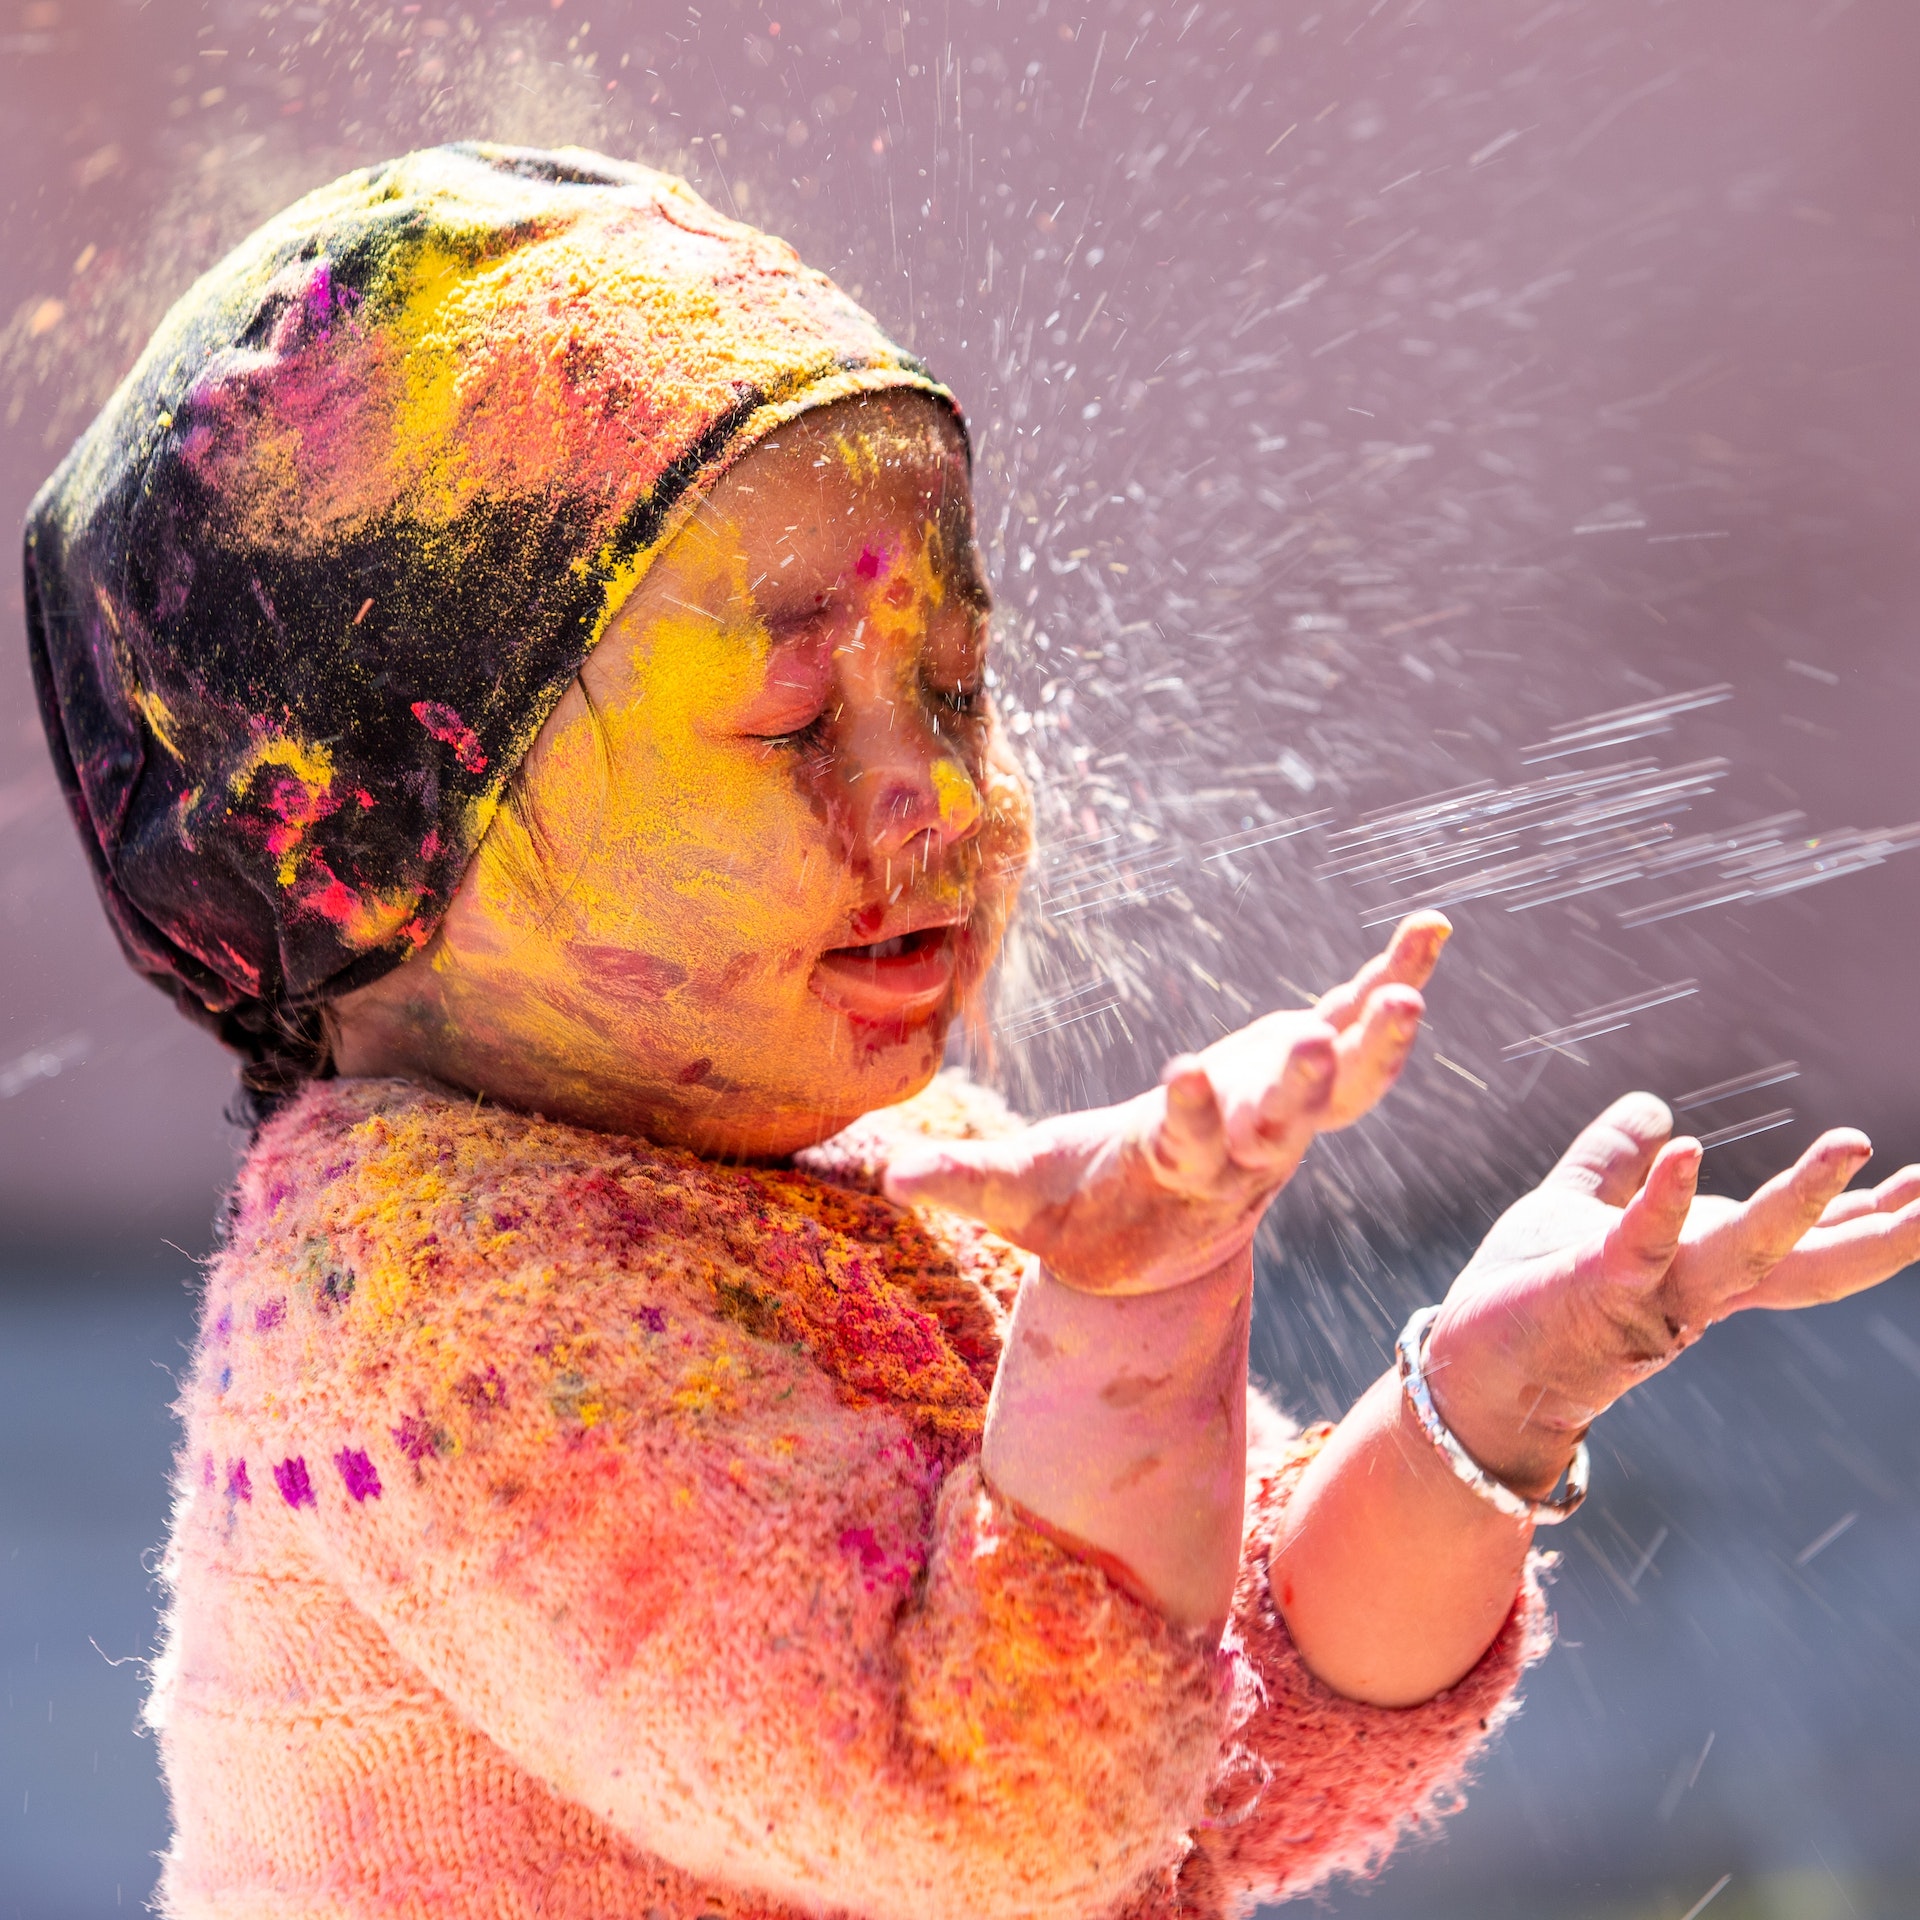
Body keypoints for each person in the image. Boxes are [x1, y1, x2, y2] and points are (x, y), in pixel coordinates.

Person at [24, 144, 1920, 1920]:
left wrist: (1478, 1413)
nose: (952, 801)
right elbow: (1003, 1812)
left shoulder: (849, 1186)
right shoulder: (418, 1310)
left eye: (955, 689)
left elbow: (1226, 1723)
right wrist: (1137, 1302)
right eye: (793, 725)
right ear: (367, 828)